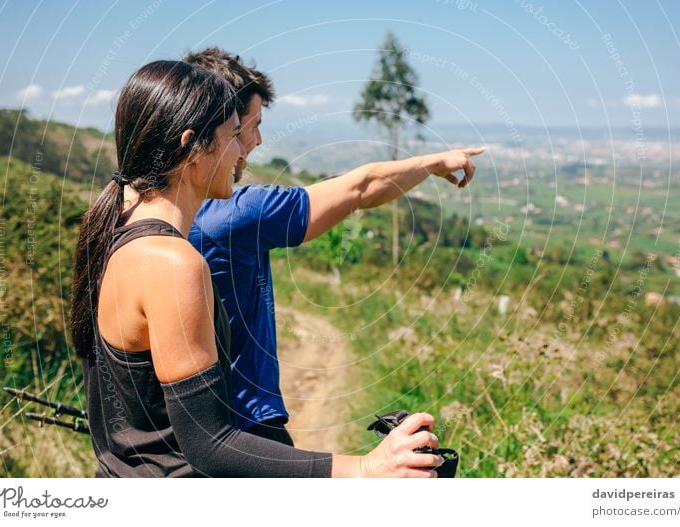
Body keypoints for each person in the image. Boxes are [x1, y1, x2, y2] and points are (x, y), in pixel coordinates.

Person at [70, 59, 444, 477]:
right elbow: (208, 443)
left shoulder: (114, 229)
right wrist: (368, 468)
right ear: (191, 145)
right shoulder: (172, 264)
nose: (243, 150)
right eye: (234, 135)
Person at [183, 47, 485, 444]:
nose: (256, 141)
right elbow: (361, 188)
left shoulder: (140, 212)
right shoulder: (235, 215)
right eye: (250, 125)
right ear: (219, 125)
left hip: (185, 429)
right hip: (247, 426)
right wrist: (433, 163)